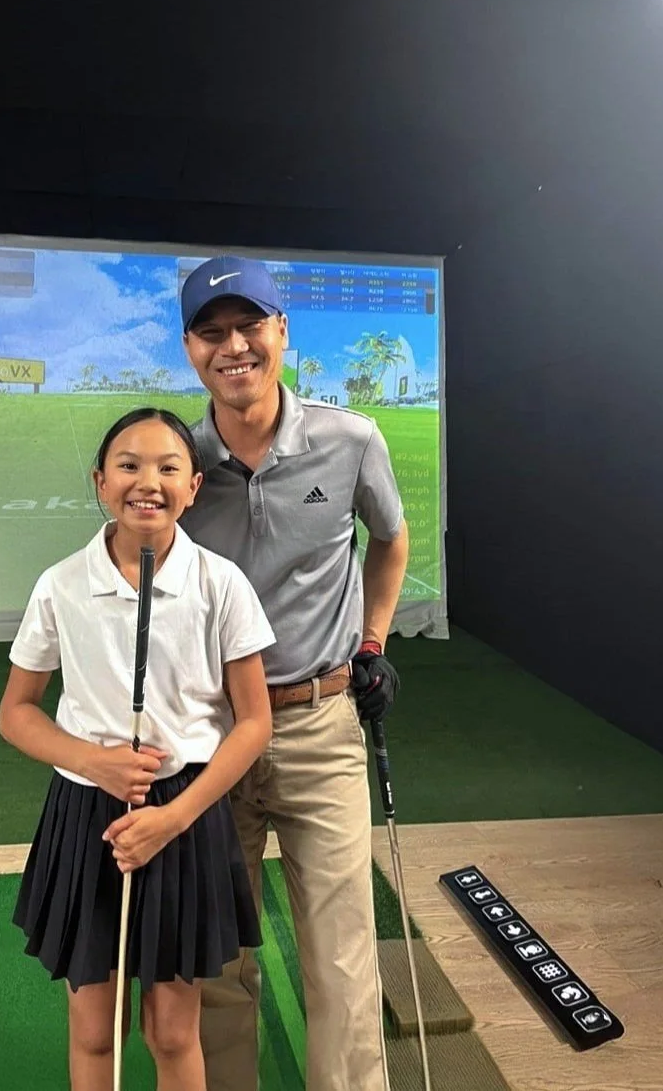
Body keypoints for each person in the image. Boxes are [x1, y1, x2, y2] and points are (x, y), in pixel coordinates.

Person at [177, 256, 410, 1091]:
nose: (233, 347)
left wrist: (374, 640)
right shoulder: (180, 463)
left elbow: (390, 539)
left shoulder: (351, 440)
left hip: (321, 722)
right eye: (212, 333)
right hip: (210, 737)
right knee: (215, 958)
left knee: (343, 958)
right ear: (190, 348)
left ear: (281, 333)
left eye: (249, 327)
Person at [0, 407, 276, 1091]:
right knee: (96, 1031)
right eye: (128, 464)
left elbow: (254, 723)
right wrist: (94, 761)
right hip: (86, 812)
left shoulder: (221, 584)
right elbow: (16, 711)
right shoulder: (61, 584)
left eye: (167, 467)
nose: (146, 481)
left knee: (173, 1032)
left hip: (184, 814)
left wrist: (172, 820)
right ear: (99, 480)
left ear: (193, 487)